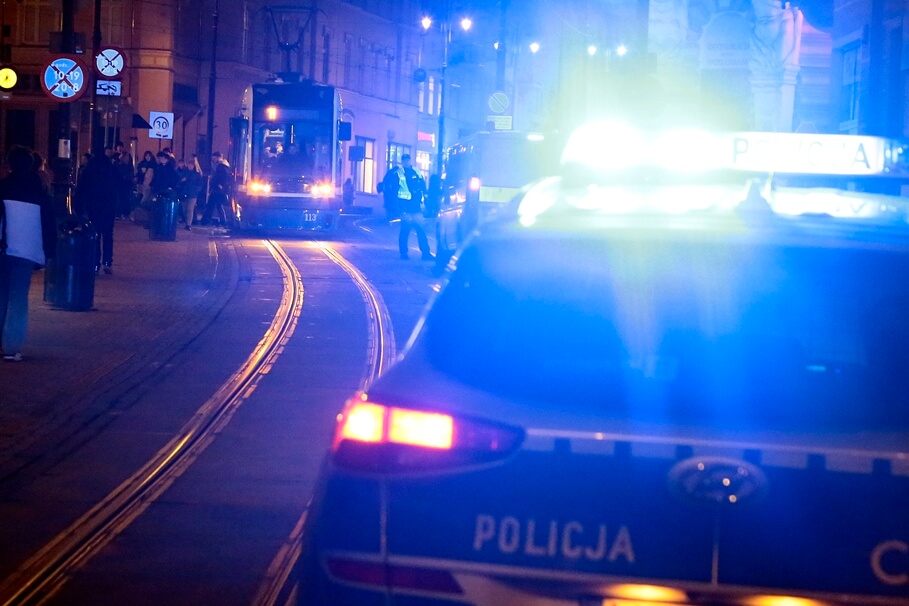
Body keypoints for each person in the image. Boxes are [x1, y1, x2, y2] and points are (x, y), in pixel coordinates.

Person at [0, 146, 57, 361]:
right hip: (26, 250)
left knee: (2, 293)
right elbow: (48, 225)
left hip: (3, 247)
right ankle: (12, 346)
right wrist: (49, 251)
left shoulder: (3, 187)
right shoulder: (39, 192)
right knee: (18, 297)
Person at [74, 152, 119, 274]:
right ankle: (107, 262)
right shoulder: (111, 169)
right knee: (108, 234)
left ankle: (95, 263)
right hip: (109, 205)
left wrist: (78, 206)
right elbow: (120, 186)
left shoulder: (89, 170)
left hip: (94, 205)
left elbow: (81, 189)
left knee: (95, 233)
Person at [384, 154, 432, 260]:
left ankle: (425, 253)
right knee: (405, 231)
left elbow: (422, 186)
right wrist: (397, 208)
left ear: (410, 161)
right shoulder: (398, 173)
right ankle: (404, 253)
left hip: (416, 207)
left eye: (407, 160)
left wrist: (425, 199)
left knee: (421, 231)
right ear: (402, 162)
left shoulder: (417, 171)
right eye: (404, 160)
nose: (406, 162)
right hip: (405, 207)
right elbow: (394, 191)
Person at [202, 151, 231, 226]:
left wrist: (219, 185)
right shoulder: (223, 166)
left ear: (218, 158)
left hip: (217, 189)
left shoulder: (221, 167)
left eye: (214, 158)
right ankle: (223, 221)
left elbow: (222, 177)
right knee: (218, 205)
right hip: (218, 189)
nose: (213, 160)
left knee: (211, 205)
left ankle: (206, 220)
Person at [177, 157, 204, 230]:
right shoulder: (184, 173)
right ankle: (187, 222)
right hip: (184, 193)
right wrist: (181, 181)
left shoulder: (197, 174)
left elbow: (200, 184)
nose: (190, 166)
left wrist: (196, 191)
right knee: (185, 209)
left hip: (193, 194)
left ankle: (188, 224)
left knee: (190, 209)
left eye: (191, 165)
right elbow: (178, 182)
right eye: (189, 165)